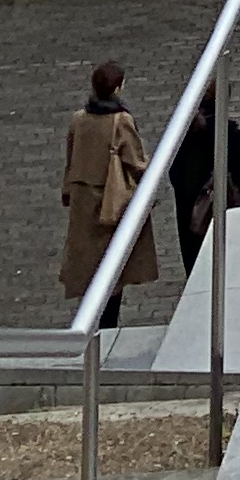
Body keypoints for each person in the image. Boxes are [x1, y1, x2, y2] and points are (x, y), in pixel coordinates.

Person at [60, 62, 161, 319]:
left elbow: (71, 158)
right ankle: (105, 328)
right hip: (111, 200)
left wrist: (68, 190)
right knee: (112, 268)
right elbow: (136, 161)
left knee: (88, 267)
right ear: (117, 88)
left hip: (83, 202)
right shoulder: (121, 120)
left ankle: (91, 322)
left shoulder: (78, 119)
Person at [168, 99, 240, 271]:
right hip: (226, 213)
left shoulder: (182, 133)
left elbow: (174, 174)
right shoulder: (227, 132)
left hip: (191, 220)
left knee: (198, 269)